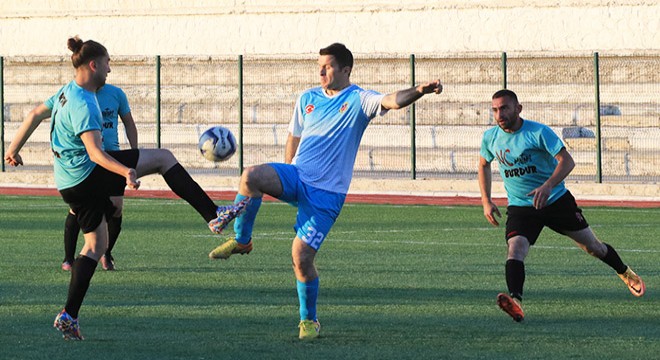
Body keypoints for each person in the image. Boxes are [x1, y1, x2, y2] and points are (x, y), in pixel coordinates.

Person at [4, 36, 239, 340]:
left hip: (68, 183)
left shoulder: (65, 92)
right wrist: (125, 170)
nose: (110, 70)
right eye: (107, 63)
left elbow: (35, 114)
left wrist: (12, 149)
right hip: (88, 174)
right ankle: (213, 215)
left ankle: (69, 315)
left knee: (94, 246)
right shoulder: (85, 103)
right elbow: (95, 154)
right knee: (164, 158)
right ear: (94, 64)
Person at [205, 43, 443, 340]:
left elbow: (391, 100)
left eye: (327, 66)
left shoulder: (359, 99)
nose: (321, 71)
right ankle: (242, 240)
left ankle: (309, 320)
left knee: (301, 257)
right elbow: (295, 135)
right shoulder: (307, 97)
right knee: (251, 176)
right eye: (319, 65)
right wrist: (286, 170)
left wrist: (419, 90)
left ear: (345, 70)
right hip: (297, 176)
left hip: (327, 195)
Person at [478, 89, 646, 322]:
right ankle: (515, 301)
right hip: (521, 207)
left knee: (593, 248)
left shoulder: (538, 132)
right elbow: (484, 164)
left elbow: (567, 161)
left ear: (518, 108)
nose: (499, 114)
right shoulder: (490, 137)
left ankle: (624, 271)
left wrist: (547, 186)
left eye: (504, 108)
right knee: (515, 249)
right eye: (495, 109)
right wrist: (486, 200)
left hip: (556, 201)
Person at [19, 84, 138, 272]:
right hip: (86, 159)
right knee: (76, 209)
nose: (108, 69)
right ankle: (68, 258)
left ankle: (106, 253)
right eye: (104, 63)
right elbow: (37, 113)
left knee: (116, 207)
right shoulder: (74, 95)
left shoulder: (116, 94)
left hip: (112, 158)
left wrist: (133, 152)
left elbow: (129, 122)